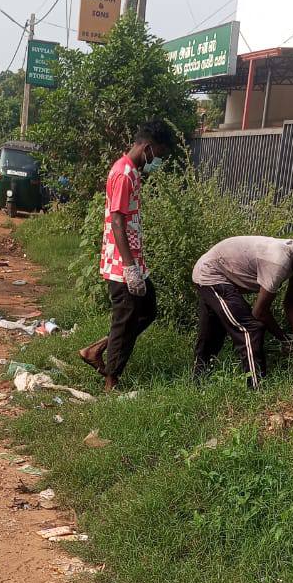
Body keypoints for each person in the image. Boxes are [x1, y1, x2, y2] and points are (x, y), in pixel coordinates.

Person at [79, 119, 172, 392]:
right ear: (147, 147)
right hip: (122, 265)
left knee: (147, 311)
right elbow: (117, 221)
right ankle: (111, 382)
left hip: (133, 262)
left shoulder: (132, 171)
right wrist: (130, 268)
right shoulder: (123, 174)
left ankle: (97, 349)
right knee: (125, 319)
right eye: (159, 153)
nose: (158, 160)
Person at [192, 232, 293, 388]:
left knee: (211, 333)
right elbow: (259, 312)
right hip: (211, 274)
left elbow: (291, 304)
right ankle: (257, 389)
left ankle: (198, 383)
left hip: (219, 274)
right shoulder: (278, 262)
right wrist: (284, 339)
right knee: (250, 329)